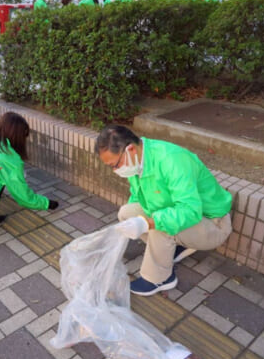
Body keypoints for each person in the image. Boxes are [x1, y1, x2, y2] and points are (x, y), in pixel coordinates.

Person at [96, 126, 232, 295]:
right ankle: (175, 246)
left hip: (212, 222)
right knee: (126, 213)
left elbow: (190, 211)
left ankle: (160, 279)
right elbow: (138, 198)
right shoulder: (137, 160)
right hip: (186, 217)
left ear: (130, 149)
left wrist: (148, 223)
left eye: (114, 165)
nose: (115, 170)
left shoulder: (171, 160)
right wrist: (135, 223)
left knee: (159, 225)